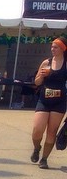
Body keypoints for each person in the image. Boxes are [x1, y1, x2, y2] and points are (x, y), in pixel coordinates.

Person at [30, 37, 67, 170]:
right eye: (52, 46)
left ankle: (44, 159)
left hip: (59, 102)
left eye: (55, 47)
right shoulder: (46, 62)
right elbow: (37, 82)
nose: (52, 49)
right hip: (44, 100)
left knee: (52, 132)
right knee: (37, 130)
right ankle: (36, 148)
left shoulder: (66, 64)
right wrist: (42, 76)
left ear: (63, 49)